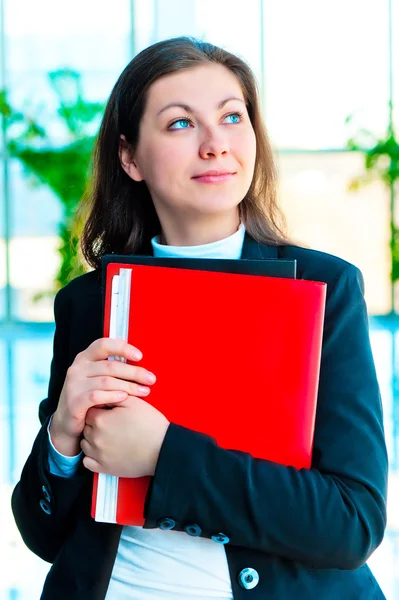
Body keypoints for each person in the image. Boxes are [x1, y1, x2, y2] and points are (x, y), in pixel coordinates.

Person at [12, 36, 388, 600]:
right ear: (129, 157)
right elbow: (43, 536)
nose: (216, 145)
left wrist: (165, 456)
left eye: (232, 117)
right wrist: (63, 435)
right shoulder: (90, 303)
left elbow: (351, 523)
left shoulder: (325, 290)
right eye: (181, 124)